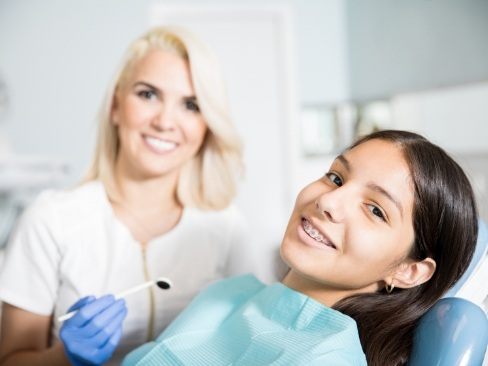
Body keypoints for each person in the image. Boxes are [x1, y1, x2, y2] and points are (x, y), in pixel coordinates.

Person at [0, 26, 254, 366]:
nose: (165, 121)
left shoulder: (226, 227)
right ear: (116, 105)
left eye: (191, 105)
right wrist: (64, 357)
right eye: (148, 94)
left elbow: (250, 349)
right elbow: (10, 359)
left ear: (207, 126)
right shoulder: (50, 220)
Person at [118, 130, 477, 366]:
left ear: (409, 270)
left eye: (375, 210)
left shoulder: (327, 358)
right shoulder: (229, 293)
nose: (329, 202)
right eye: (336, 177)